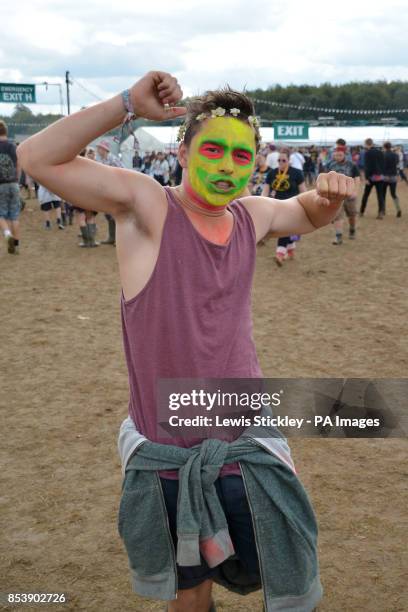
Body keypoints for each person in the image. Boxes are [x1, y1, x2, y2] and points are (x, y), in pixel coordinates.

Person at [18, 70, 357, 612]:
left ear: (256, 162)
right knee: (190, 591)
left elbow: (308, 213)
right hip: (170, 461)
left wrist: (331, 193)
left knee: (290, 577)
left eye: (241, 157)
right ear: (182, 149)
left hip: (248, 448)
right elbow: (37, 158)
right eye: (213, 150)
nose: (226, 167)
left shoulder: (251, 215)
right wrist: (126, 104)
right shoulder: (147, 208)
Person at [262, 147, 306, 265]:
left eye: (283, 160)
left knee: (284, 229)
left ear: (289, 160)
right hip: (276, 207)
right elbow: (265, 191)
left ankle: (279, 254)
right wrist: (262, 202)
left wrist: (305, 207)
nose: (281, 163)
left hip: (292, 206)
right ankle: (290, 249)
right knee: (284, 229)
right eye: (279, 160)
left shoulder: (297, 173)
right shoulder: (272, 173)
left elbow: (303, 192)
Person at [325, 145, 360, 243]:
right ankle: (338, 236)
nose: (337, 157)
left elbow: (357, 178)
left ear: (344, 154)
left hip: (349, 194)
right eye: (336, 155)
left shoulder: (352, 165)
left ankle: (352, 229)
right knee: (337, 215)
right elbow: (326, 178)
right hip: (336, 195)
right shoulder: (330, 165)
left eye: (340, 155)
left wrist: (355, 191)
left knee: (352, 215)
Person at [0, 120, 21, 254]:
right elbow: (19, 164)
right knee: (14, 216)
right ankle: (16, 246)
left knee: (0, 214)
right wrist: (17, 179)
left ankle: (7, 234)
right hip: (13, 183)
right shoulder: (13, 146)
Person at [360, 138, 385, 219]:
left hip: (371, 177)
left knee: (366, 195)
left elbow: (368, 166)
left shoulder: (367, 153)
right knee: (380, 195)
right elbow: (383, 164)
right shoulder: (380, 152)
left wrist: (366, 178)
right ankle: (380, 212)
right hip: (380, 176)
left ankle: (361, 211)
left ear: (366, 144)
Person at [383, 142, 401, 218]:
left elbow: (382, 165)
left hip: (385, 176)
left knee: (382, 194)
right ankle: (398, 209)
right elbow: (397, 163)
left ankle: (382, 210)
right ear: (390, 147)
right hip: (393, 176)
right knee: (393, 194)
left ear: (385, 147)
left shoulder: (383, 155)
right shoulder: (396, 155)